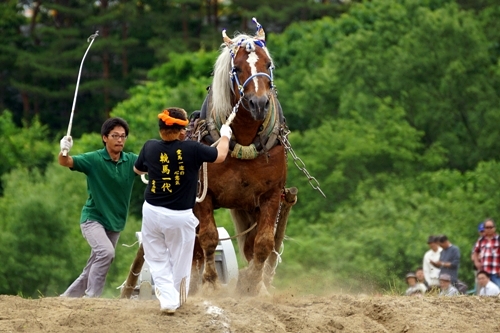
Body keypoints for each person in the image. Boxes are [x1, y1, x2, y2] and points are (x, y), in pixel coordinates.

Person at [133, 107, 231, 314]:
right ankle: (175, 298)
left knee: (157, 258)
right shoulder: (193, 149)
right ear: (181, 130)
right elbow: (221, 155)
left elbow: (138, 169)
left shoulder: (149, 147)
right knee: (180, 261)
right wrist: (224, 135)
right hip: (179, 217)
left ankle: (168, 298)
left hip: (151, 212)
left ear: (160, 129)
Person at [58, 117, 138, 298]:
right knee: (106, 253)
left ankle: (67, 299)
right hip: (93, 218)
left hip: (115, 221)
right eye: (115, 136)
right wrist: (64, 150)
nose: (120, 140)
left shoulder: (132, 160)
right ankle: (92, 298)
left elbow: (152, 166)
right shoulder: (94, 159)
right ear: (105, 138)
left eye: (123, 136)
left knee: (96, 262)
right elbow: (65, 162)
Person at [473, 218, 500, 287]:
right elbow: (475, 252)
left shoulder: (498, 239)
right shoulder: (481, 240)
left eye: (491, 227)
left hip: (496, 272)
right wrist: (476, 262)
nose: (489, 229)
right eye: (487, 227)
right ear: (484, 229)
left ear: (494, 228)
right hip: (484, 273)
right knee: (485, 295)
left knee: (498, 292)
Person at [471, 222, 485, 294]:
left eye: (484, 231)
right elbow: (473, 257)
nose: (483, 233)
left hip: (491, 269)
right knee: (479, 289)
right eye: (481, 231)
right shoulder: (477, 242)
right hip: (479, 269)